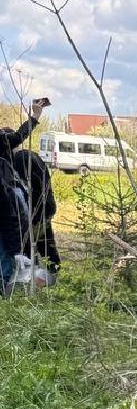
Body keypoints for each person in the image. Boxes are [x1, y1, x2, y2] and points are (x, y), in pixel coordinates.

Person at [0, 98, 47, 288]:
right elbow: (18, 136)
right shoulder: (7, 179)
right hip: (8, 204)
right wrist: (35, 115)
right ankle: (6, 283)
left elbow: (18, 136)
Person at [13, 149, 59, 284]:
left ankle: (35, 280)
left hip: (34, 215)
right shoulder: (31, 156)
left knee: (29, 248)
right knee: (47, 245)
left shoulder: (19, 161)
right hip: (45, 210)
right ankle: (53, 274)